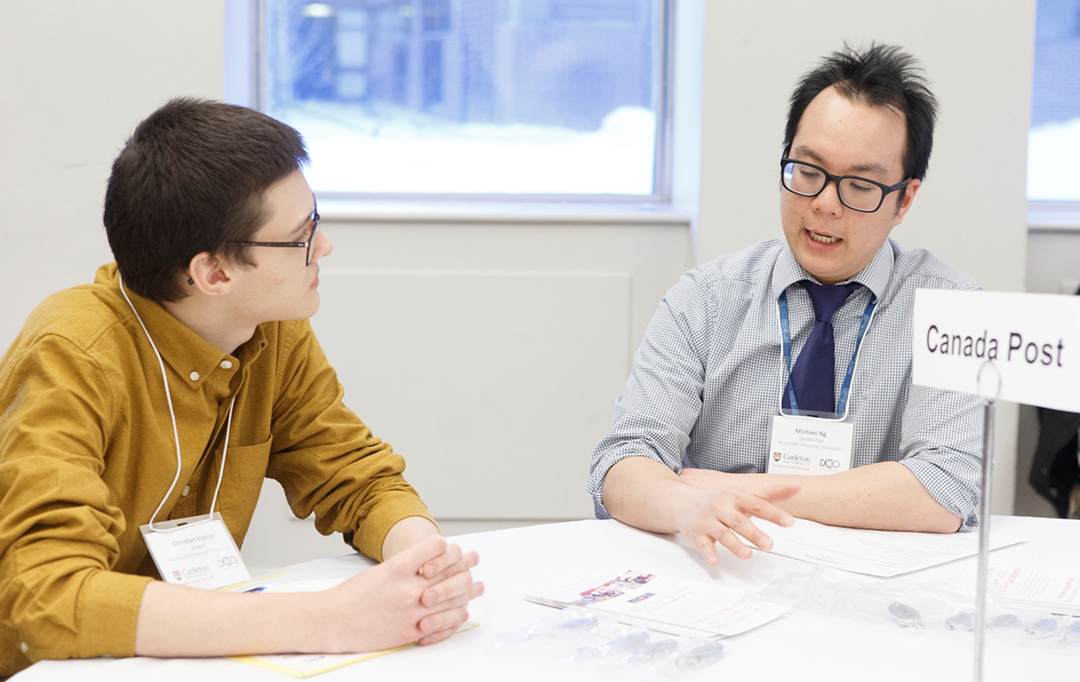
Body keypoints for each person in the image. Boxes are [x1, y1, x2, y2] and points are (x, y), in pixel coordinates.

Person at [0, 98, 482, 676]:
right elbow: (49, 598)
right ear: (214, 273)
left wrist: (423, 569)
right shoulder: (72, 353)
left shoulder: (269, 330)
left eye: (317, 219)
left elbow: (355, 475)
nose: (323, 246)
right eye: (301, 235)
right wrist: (327, 619)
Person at [588, 44, 982, 567]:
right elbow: (621, 464)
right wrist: (688, 502)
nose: (823, 203)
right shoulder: (705, 299)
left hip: (873, 586)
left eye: (860, 185)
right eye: (808, 171)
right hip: (725, 568)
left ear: (904, 199)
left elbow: (945, 487)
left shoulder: (951, 312)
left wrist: (746, 490)